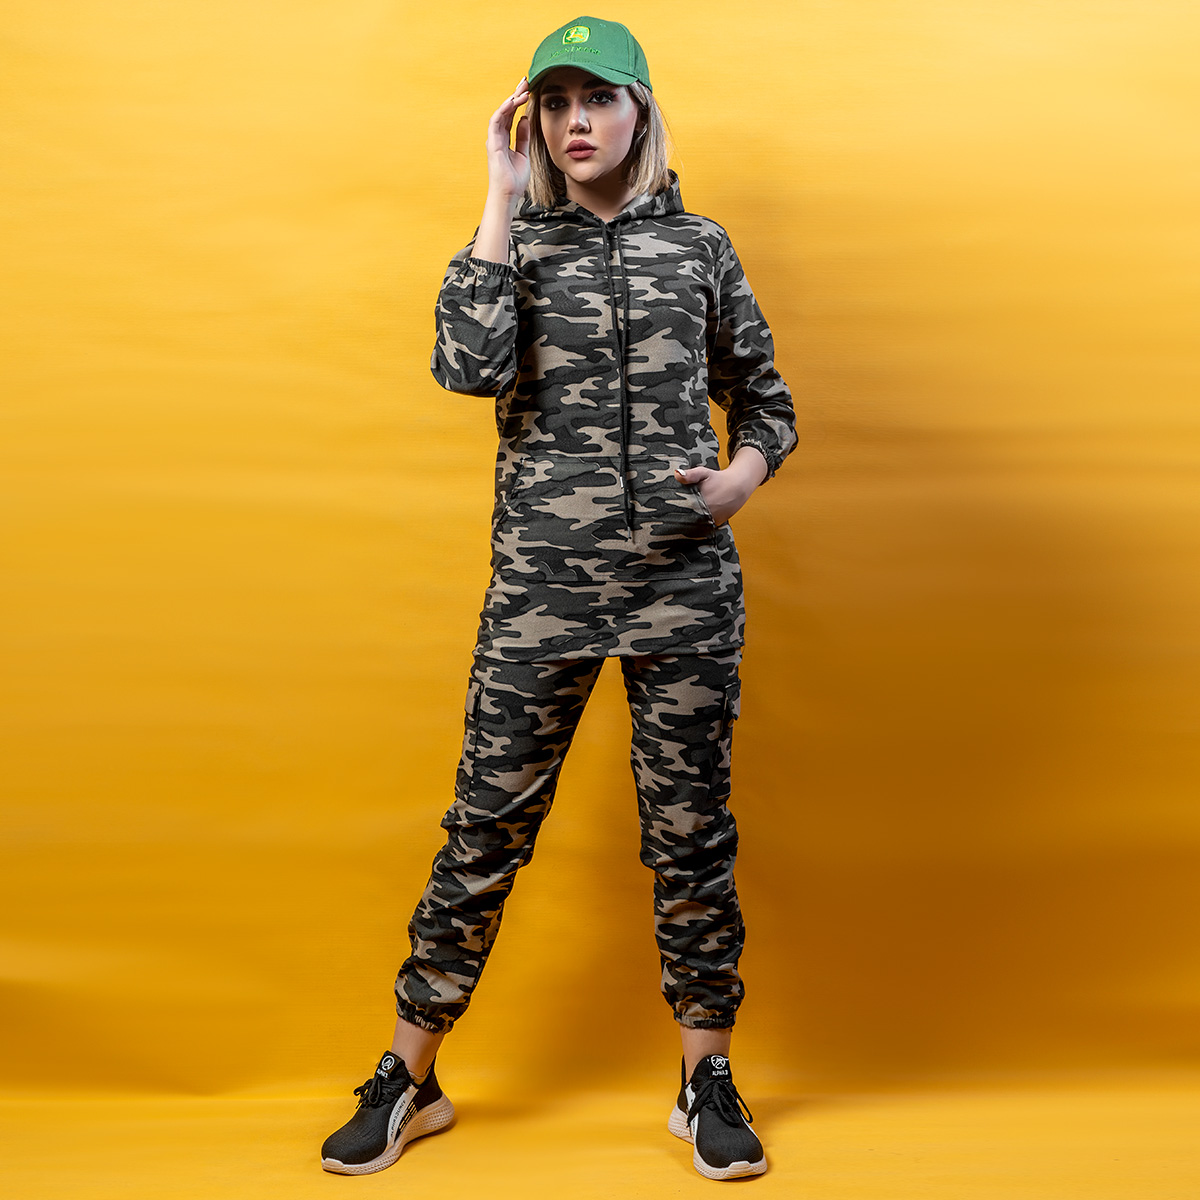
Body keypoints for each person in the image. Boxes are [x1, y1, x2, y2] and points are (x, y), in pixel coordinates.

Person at [320, 15, 796, 1182]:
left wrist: (741, 478)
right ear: (532, 121)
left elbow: (767, 400)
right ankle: (410, 1078)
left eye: (599, 99)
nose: (576, 122)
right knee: (485, 829)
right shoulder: (513, 247)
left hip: (684, 590)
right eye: (555, 103)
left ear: (641, 112)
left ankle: (705, 1080)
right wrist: (497, 191)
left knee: (692, 837)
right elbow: (467, 366)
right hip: (542, 595)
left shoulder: (700, 247)